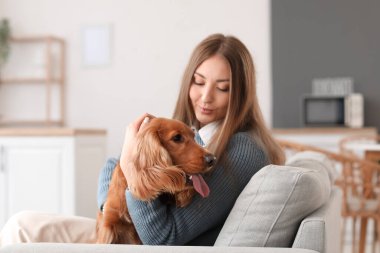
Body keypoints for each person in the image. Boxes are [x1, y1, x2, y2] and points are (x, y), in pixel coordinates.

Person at [0, 33, 285, 247]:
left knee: (22, 229)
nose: (205, 97)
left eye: (223, 88)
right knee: (20, 225)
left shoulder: (242, 150)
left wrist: (131, 171)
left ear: (241, 95)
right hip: (125, 229)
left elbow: (163, 239)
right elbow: (115, 164)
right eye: (198, 82)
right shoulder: (200, 132)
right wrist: (112, 208)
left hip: (147, 243)